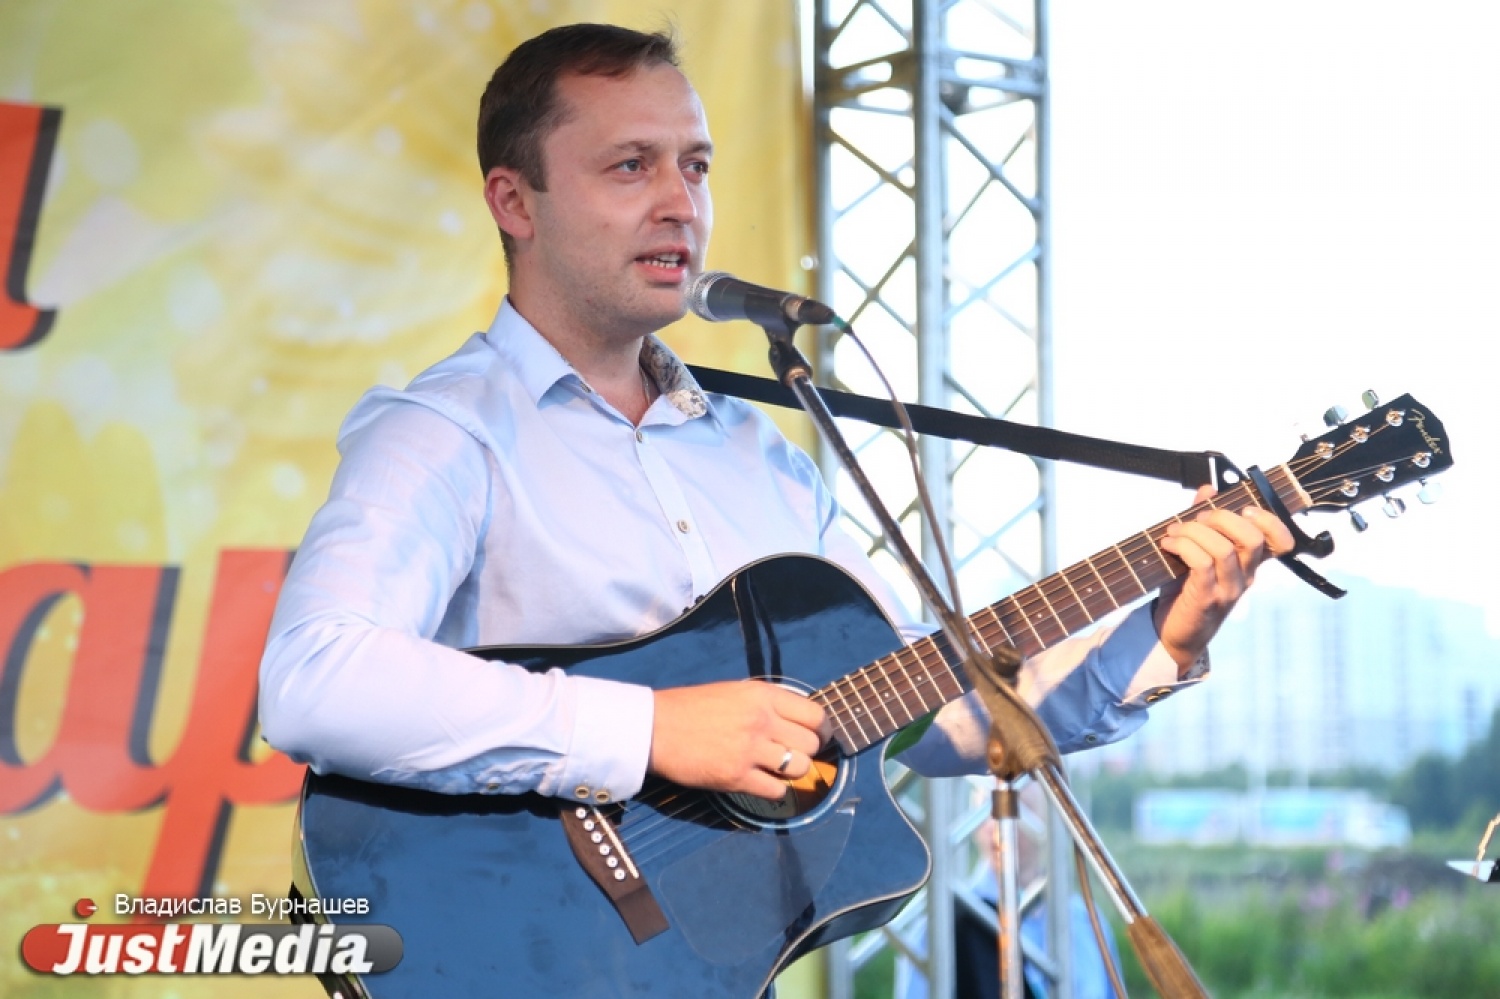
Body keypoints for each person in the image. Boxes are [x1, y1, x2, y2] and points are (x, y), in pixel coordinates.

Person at [259, 17, 1289, 898]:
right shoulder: (446, 430)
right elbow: (314, 680)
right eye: (631, 165)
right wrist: (649, 730)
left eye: (696, 165)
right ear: (514, 203)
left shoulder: (760, 458)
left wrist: (1163, 635)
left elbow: (928, 711)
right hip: (510, 937)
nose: (681, 203)